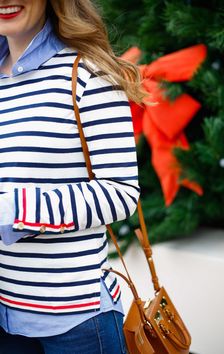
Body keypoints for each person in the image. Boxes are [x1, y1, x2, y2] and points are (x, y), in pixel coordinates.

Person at [0, 1, 144, 353]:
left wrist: (16, 209)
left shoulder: (87, 71)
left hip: (77, 321)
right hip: (5, 318)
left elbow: (122, 192)